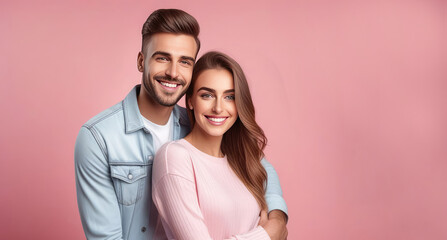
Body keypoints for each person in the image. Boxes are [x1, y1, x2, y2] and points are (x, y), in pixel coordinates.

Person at [74, 9, 288, 240]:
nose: (173, 72)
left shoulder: (201, 123)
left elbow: (259, 166)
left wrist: (276, 219)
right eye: (162, 58)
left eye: (184, 62)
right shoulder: (99, 137)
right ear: (141, 61)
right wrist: (265, 236)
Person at [152, 51, 283, 239]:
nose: (218, 108)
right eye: (207, 95)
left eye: (229, 97)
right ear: (190, 100)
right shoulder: (174, 157)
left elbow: (272, 188)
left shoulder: (243, 158)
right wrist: (267, 235)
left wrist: (278, 219)